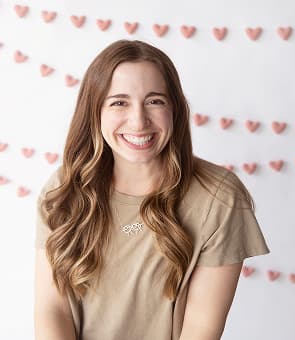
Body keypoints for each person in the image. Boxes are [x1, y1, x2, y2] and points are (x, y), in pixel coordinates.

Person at [34, 39, 270, 340]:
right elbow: (52, 310)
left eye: (155, 101)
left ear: (175, 109)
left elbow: (201, 327)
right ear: (95, 111)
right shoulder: (64, 189)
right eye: (119, 102)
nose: (138, 121)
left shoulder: (218, 197)